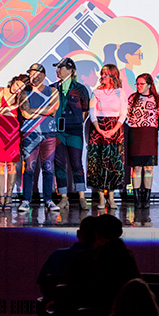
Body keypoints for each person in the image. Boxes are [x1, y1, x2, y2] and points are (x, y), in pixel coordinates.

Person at [18, 63, 60, 213]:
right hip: (30, 134)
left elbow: (54, 109)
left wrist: (35, 111)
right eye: (31, 74)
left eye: (36, 74)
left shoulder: (52, 91)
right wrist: (45, 111)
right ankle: (26, 200)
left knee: (48, 168)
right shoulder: (24, 92)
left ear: (43, 75)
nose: (33, 77)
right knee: (29, 168)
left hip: (49, 134)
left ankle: (48, 199)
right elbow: (25, 114)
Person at [87, 64, 128, 209]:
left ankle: (111, 197)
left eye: (105, 73)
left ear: (112, 75)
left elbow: (123, 113)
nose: (102, 76)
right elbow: (92, 112)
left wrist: (114, 129)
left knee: (113, 163)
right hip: (98, 128)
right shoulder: (96, 92)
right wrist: (99, 129)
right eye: (101, 73)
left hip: (115, 129)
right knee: (98, 163)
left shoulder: (120, 92)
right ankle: (100, 197)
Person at [51, 58, 90, 210]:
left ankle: (81, 197)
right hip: (57, 131)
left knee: (76, 163)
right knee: (59, 163)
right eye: (57, 67)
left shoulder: (80, 89)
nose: (58, 70)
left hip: (74, 130)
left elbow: (86, 109)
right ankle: (63, 197)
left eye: (60, 67)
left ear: (70, 70)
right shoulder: (53, 88)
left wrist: (78, 121)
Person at [126, 73, 159, 209]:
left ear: (149, 84)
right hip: (135, 134)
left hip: (150, 134)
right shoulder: (132, 98)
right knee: (136, 167)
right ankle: (136, 199)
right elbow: (126, 115)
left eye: (141, 84)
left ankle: (146, 198)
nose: (139, 86)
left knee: (148, 167)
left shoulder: (157, 99)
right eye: (137, 84)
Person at [0, 74, 30, 209]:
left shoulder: (21, 98)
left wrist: (19, 99)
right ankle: (1, 197)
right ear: (14, 80)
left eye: (21, 88)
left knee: (12, 165)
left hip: (12, 130)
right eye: (17, 84)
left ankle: (9, 197)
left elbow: (26, 113)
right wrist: (9, 108)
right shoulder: (1, 90)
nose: (17, 88)